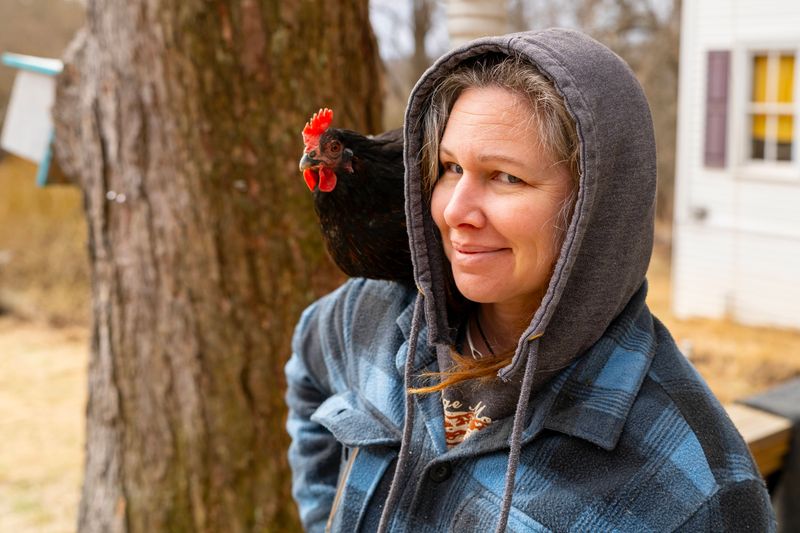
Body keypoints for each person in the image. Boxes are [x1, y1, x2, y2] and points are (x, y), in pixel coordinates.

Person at [285, 28, 775, 532]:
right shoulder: (372, 313)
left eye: (506, 177)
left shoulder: (698, 492)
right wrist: (324, 516)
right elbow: (307, 373)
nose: (455, 211)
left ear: (595, 206)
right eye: (450, 168)